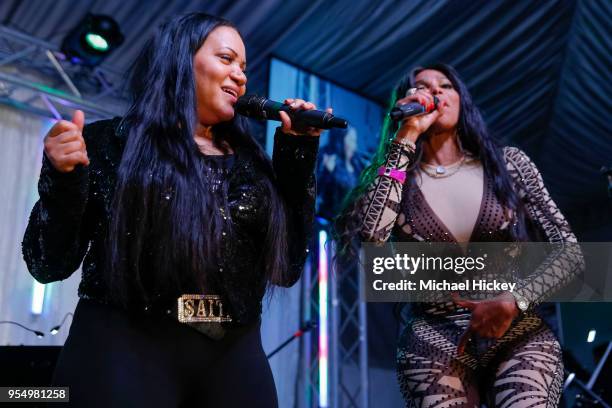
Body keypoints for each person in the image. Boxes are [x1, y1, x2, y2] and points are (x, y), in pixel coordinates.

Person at [22, 13, 328, 407]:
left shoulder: (253, 167)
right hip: (125, 348)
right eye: (226, 59)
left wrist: (297, 156)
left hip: (231, 350)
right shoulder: (111, 144)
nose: (240, 75)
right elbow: (47, 264)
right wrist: (61, 180)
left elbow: (286, 270)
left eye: (244, 67)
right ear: (182, 61)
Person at [336, 63, 583, 407]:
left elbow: (569, 252)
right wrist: (405, 137)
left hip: (517, 328)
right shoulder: (392, 175)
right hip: (433, 336)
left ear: (461, 99)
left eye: (446, 85)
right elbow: (372, 237)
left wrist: (517, 299)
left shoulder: (509, 164)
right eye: (420, 86)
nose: (435, 91)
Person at [318, 126, 368, 221]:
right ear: (340, 141)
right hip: (330, 220)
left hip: (351, 221)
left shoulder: (358, 163)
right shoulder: (327, 159)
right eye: (351, 140)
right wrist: (330, 172)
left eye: (355, 141)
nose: (355, 145)